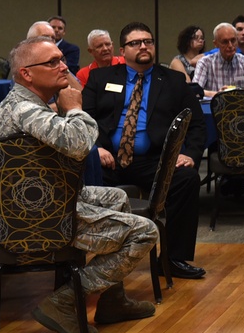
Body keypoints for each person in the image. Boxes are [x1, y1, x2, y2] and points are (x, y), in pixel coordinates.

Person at [0, 35, 159, 333]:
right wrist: (75, 108)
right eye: (52, 62)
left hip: (39, 201)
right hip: (33, 218)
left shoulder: (28, 103)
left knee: (117, 196)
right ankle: (65, 300)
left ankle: (111, 300)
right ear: (27, 73)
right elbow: (80, 145)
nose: (63, 66)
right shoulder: (24, 109)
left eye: (62, 59)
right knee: (144, 232)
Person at [82, 22, 207, 280]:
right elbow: (83, 120)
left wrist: (191, 155)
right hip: (108, 160)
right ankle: (79, 260)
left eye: (148, 42)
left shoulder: (172, 81)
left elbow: (196, 124)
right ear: (122, 50)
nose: (143, 46)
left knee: (187, 179)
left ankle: (172, 258)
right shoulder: (101, 78)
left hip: (153, 161)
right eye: (135, 43)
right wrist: (96, 148)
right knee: (76, 176)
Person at [193, 23, 244, 97]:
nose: (230, 45)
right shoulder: (205, 63)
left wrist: (237, 94)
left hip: (241, 104)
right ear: (216, 44)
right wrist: (219, 95)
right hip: (212, 104)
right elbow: (194, 92)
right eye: (225, 42)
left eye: (233, 40)